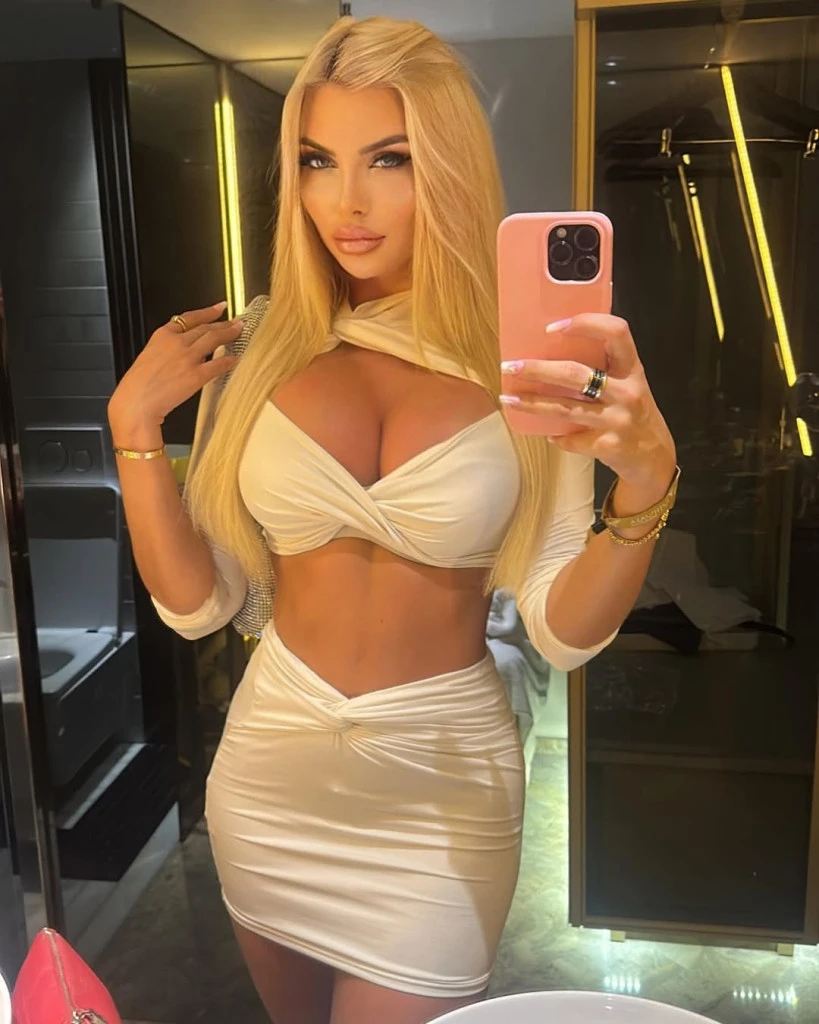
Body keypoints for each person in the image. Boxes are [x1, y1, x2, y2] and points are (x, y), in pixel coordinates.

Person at [108, 16, 676, 1024]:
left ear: (447, 167)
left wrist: (647, 485)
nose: (347, 201)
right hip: (271, 773)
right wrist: (134, 434)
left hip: (442, 792)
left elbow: (560, 629)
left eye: (389, 159)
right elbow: (201, 605)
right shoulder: (262, 352)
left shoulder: (525, 365)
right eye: (317, 160)